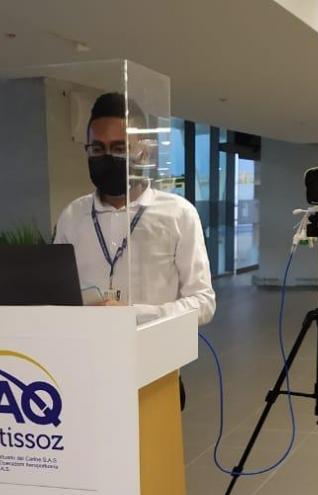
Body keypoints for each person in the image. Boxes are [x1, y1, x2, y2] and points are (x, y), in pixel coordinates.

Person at [54, 93, 215, 327]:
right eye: (97, 149)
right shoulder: (72, 215)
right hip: (87, 353)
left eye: (120, 148)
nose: (107, 157)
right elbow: (57, 294)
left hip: (157, 356)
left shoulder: (179, 214)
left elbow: (203, 302)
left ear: (144, 151)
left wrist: (136, 315)